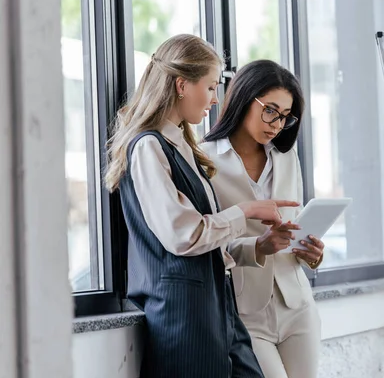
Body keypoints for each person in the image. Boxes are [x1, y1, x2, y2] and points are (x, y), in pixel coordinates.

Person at [104, 34, 298, 378]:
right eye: (210, 87)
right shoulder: (149, 147)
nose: (214, 99)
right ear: (181, 85)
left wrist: (256, 246)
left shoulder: (180, 147)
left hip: (215, 307)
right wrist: (248, 211)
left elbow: (205, 242)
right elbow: (184, 236)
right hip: (186, 316)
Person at [201, 60, 324, 378]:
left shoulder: (286, 157)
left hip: (297, 306)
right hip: (245, 313)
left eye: (285, 116)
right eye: (270, 110)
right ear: (244, 97)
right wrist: (257, 246)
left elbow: (293, 224)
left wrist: (313, 254)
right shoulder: (205, 160)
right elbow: (205, 240)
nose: (276, 124)